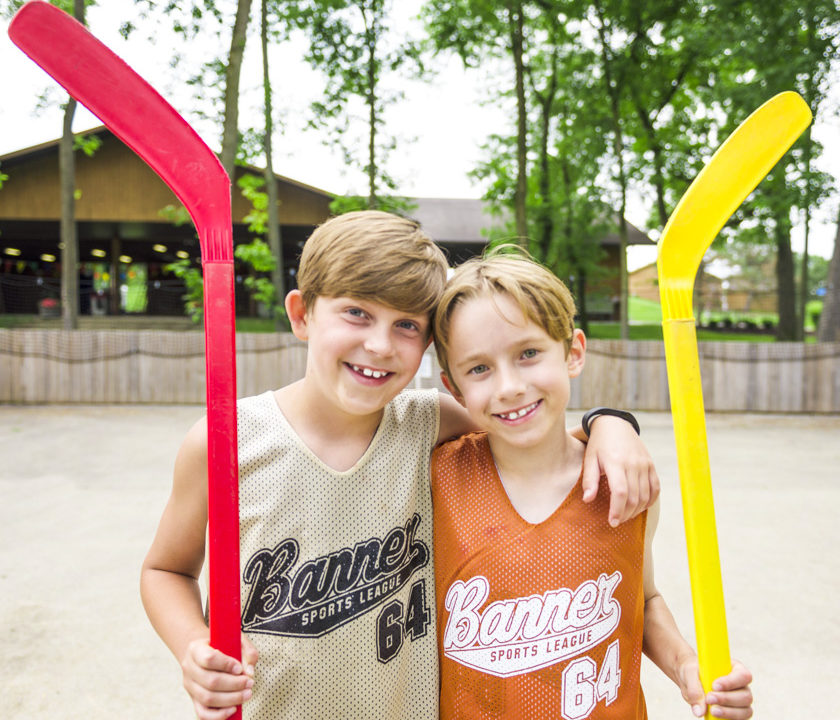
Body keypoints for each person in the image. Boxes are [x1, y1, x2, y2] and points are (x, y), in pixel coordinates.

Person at [141, 211, 659, 720]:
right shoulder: (224, 442)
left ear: (429, 345)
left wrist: (610, 424)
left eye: (406, 324)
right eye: (356, 313)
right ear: (301, 314)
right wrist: (193, 645)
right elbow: (166, 570)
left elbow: (531, 434)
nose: (379, 345)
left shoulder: (428, 422)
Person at [431, 250, 753, 720]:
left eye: (528, 354)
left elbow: (642, 599)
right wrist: (608, 420)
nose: (509, 386)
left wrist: (688, 666)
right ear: (454, 388)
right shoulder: (438, 475)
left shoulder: (623, 482)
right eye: (479, 368)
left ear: (574, 352)